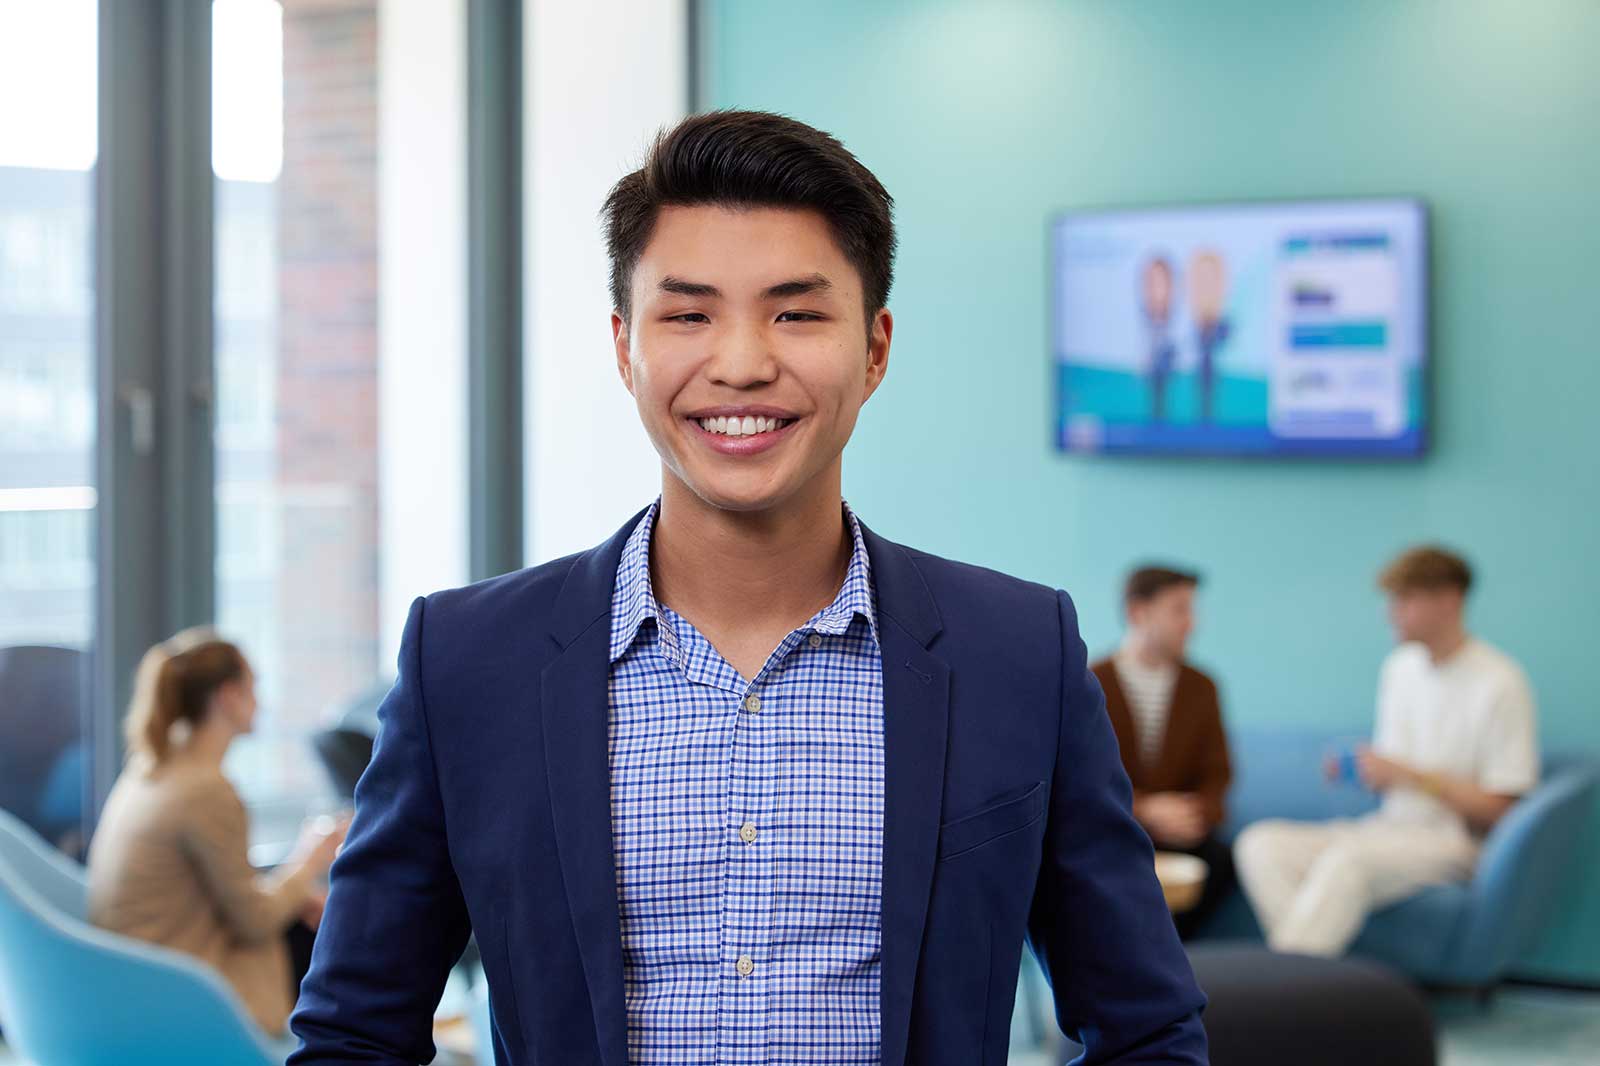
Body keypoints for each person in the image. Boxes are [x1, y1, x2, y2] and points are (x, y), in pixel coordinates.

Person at [290, 111, 1205, 1065]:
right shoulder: (468, 660)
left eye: (797, 312)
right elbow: (353, 1036)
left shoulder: (1018, 651)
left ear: (876, 348)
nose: (740, 364)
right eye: (688, 314)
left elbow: (1148, 1029)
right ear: (623, 347)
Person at [1235, 546, 1538, 957]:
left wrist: (1411, 777)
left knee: (1349, 864)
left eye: (1405, 599)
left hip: (1454, 843)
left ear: (1449, 600)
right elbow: (1393, 775)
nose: (1390, 613)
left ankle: (1284, 991)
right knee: (1260, 843)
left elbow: (1503, 809)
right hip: (1388, 828)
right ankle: (1312, 988)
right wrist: (1366, 771)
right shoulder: (1399, 669)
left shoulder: (1501, 682)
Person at [87, 629, 348, 1036]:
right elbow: (256, 922)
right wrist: (311, 855)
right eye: (253, 687)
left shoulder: (152, 767)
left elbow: (222, 886)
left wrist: (294, 896)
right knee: (341, 937)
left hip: (137, 973)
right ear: (228, 696)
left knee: (314, 918)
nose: (260, 703)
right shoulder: (206, 790)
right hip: (183, 990)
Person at [1092, 566, 1234, 939]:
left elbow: (1218, 774)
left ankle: (1167, 957)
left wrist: (1193, 813)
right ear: (1139, 612)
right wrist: (1145, 810)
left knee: (1220, 861)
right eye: (1180, 609)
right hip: (1115, 825)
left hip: (1181, 832)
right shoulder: (1091, 683)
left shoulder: (1202, 687)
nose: (1191, 623)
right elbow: (1081, 777)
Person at [1187, 249, 1230, 423]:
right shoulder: (1181, 337)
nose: (1205, 289)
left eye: (1211, 280)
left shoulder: (1229, 333)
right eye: (1200, 281)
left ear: (1221, 286)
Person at [1140, 254, 1178, 422]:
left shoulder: (1179, 327)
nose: (1156, 290)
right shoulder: (1138, 329)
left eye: (1162, 283)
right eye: (1152, 283)